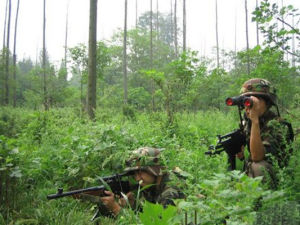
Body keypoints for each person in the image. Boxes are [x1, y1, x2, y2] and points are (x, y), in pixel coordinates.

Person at [237, 78, 293, 186]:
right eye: (247, 101)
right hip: (252, 171)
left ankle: (261, 201)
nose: (250, 105)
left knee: (258, 167)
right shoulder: (246, 122)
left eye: (256, 100)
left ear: (267, 103)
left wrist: (255, 122)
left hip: (277, 175)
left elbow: (257, 157)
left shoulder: (278, 126)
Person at [99, 147, 185, 216]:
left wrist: (117, 210)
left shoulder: (171, 192)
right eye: (135, 174)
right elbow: (151, 213)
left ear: (154, 170)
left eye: (140, 172)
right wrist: (134, 205)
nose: (137, 178)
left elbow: (157, 222)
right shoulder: (153, 185)